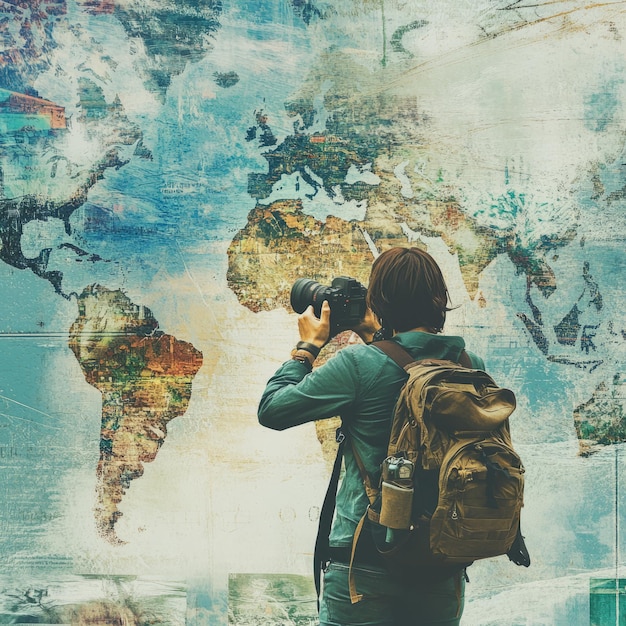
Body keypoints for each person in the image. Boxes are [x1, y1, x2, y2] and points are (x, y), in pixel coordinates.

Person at [258, 246, 485, 626]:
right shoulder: (469, 366)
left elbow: (273, 410)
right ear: (439, 301)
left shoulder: (358, 364)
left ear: (379, 301)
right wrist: (374, 335)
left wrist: (307, 348)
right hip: (442, 566)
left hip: (364, 567)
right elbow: (403, 374)